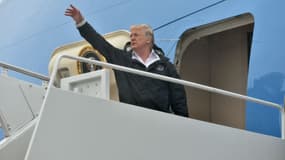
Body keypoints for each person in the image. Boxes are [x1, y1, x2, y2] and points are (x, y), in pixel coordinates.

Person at [65, 5, 188, 117]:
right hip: (130, 119)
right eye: (131, 35)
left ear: (148, 39)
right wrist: (81, 22)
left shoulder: (166, 66)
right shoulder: (121, 59)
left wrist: (184, 125)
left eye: (136, 35)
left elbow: (178, 98)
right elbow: (100, 43)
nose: (132, 38)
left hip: (161, 120)